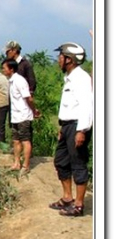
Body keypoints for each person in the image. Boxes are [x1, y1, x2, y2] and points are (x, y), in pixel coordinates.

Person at [48, 42, 93, 217]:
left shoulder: (81, 78)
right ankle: (67, 197)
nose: (58, 60)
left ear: (69, 60)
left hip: (77, 126)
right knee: (61, 161)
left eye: (61, 57)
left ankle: (79, 205)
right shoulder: (69, 78)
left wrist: (81, 130)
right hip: (68, 126)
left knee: (78, 164)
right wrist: (63, 127)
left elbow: (87, 106)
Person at [2, 58, 38, 174]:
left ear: (11, 69)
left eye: (4, 68)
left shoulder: (20, 81)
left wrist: (34, 110)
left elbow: (28, 98)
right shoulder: (11, 81)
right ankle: (17, 163)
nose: (3, 70)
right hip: (16, 116)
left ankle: (26, 165)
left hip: (23, 115)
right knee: (16, 140)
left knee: (25, 140)